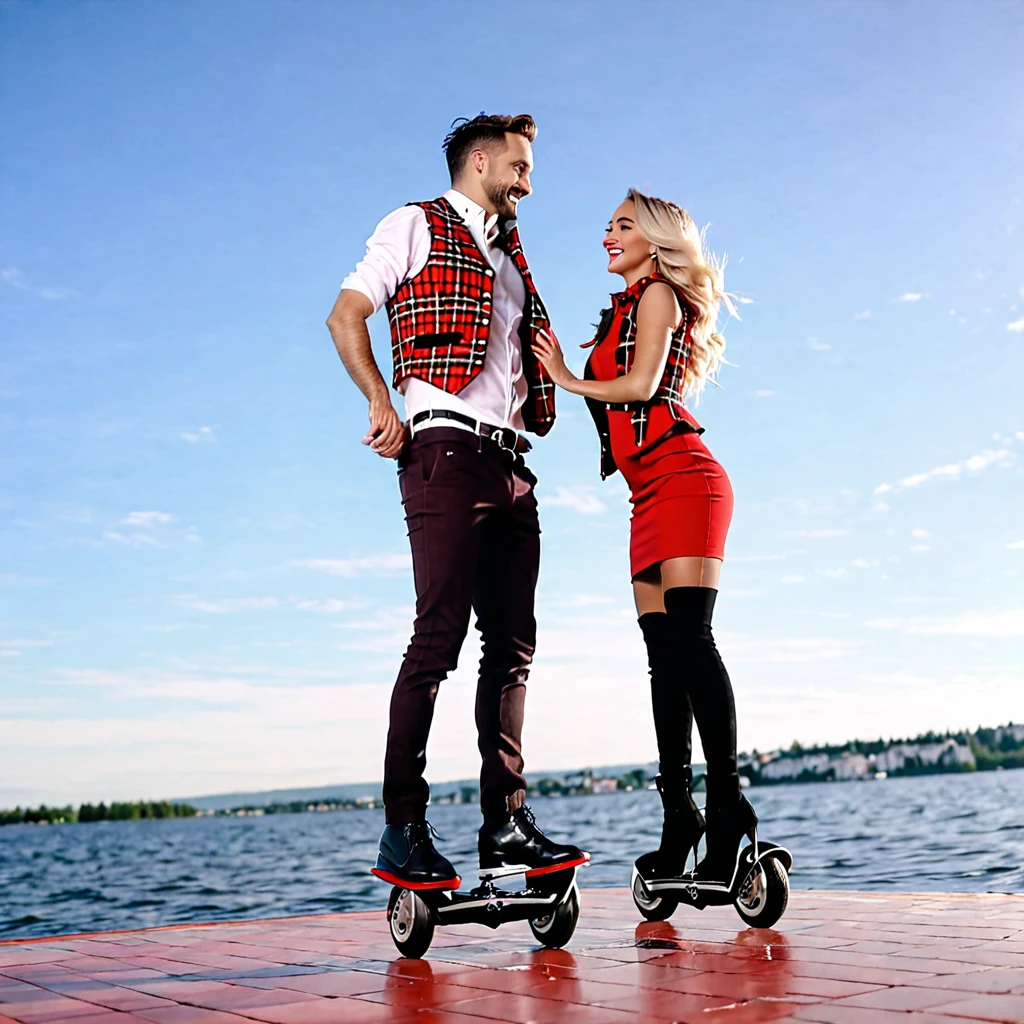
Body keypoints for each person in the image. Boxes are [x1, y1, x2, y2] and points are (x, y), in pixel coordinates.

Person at [326, 114, 586, 888]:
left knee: (511, 649)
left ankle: (504, 823)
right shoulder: (414, 224)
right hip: (442, 450)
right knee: (437, 638)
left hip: (513, 464)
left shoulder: (515, 257)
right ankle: (402, 828)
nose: (528, 181)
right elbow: (345, 315)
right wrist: (380, 399)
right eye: (519, 165)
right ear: (479, 161)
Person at [532, 189, 755, 889]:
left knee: (692, 641)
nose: (608, 235)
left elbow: (643, 383)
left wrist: (566, 377)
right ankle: (676, 815)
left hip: (687, 479)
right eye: (606, 225)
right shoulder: (621, 309)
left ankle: (726, 809)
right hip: (645, 494)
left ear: (656, 240)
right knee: (663, 661)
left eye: (623, 225)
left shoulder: (657, 295)